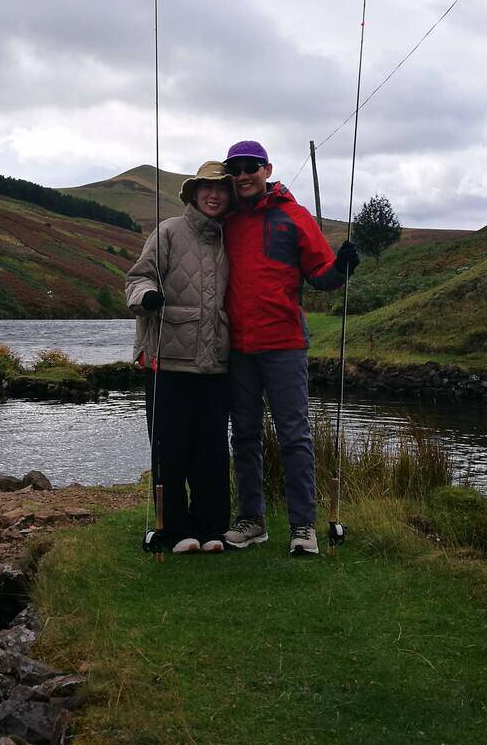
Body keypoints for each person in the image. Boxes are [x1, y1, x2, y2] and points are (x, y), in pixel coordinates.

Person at [220, 141, 359, 555]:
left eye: (250, 167)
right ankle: (252, 521)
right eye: (235, 169)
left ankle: (303, 526)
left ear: (267, 169)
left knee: (294, 436)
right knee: (244, 436)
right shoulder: (226, 220)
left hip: (284, 344)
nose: (242, 175)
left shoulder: (295, 217)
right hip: (238, 348)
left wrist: (342, 268)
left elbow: (320, 274)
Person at [125, 160, 235, 554]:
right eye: (206, 188)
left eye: (221, 189)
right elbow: (138, 277)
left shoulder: (231, 239)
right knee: (169, 449)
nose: (213, 195)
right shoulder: (168, 231)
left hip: (215, 364)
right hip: (167, 360)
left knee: (212, 450)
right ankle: (174, 529)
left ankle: (211, 529)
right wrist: (146, 297)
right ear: (193, 193)